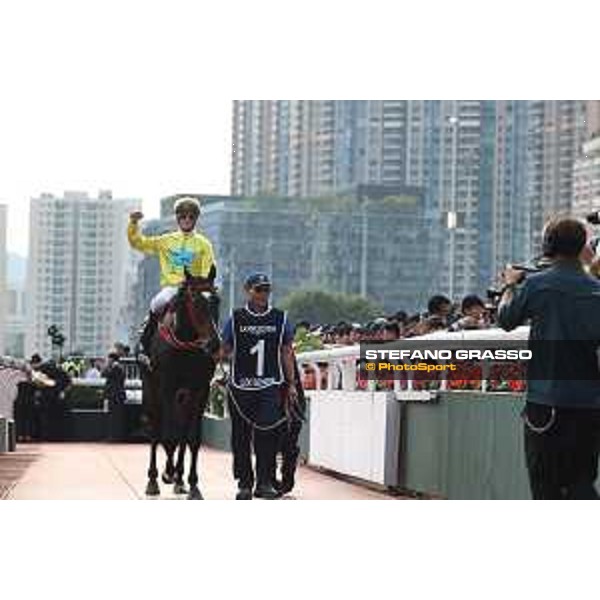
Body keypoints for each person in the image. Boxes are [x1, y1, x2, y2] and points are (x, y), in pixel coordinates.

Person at [497, 216, 600, 499]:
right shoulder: (596, 289)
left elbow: (506, 320)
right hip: (589, 405)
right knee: (581, 482)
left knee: (545, 485)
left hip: (546, 404)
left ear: (547, 246)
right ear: (583, 247)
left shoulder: (536, 285)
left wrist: (509, 286)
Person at [221, 273, 298, 500]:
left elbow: (286, 351)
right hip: (240, 386)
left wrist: (291, 383)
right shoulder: (235, 318)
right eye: (258, 290)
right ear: (248, 291)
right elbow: (224, 349)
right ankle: (244, 483)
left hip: (269, 385)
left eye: (266, 290)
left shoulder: (280, 318)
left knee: (268, 435)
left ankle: (264, 482)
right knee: (240, 437)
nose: (263, 294)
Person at [127, 196, 218, 362]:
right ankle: (144, 345)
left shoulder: (204, 244)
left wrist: (202, 285)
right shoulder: (166, 240)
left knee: (211, 301)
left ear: (196, 219)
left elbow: (207, 268)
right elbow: (139, 243)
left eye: (191, 216)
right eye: (183, 216)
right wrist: (133, 223)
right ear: (178, 218)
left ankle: (214, 343)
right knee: (156, 302)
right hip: (171, 288)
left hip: (195, 288)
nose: (187, 220)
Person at [102, 352, 127, 442]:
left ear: (112, 359)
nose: (108, 360)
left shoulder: (116, 368)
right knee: (113, 417)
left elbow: (104, 374)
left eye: (109, 359)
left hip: (115, 396)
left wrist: (107, 366)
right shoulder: (117, 367)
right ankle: (113, 436)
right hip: (115, 395)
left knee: (115, 418)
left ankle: (115, 437)